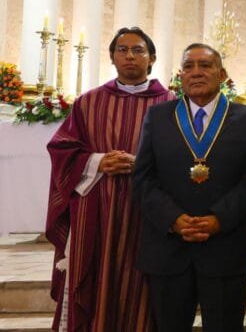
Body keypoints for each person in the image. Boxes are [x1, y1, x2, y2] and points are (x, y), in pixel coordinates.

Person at [45, 27, 171, 331]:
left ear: (152, 58)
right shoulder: (88, 103)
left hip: (147, 212)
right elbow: (62, 149)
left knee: (140, 284)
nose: (130, 55)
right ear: (112, 57)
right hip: (96, 210)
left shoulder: (170, 105)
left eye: (138, 50)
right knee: (96, 275)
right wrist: (98, 161)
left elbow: (184, 157)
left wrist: (140, 164)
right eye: (122, 49)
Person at [134, 43, 246, 331]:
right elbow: (143, 178)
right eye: (189, 66)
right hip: (168, 248)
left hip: (225, 247)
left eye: (206, 65)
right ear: (180, 75)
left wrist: (219, 219)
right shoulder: (158, 116)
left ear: (222, 73)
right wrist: (173, 219)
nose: (197, 72)